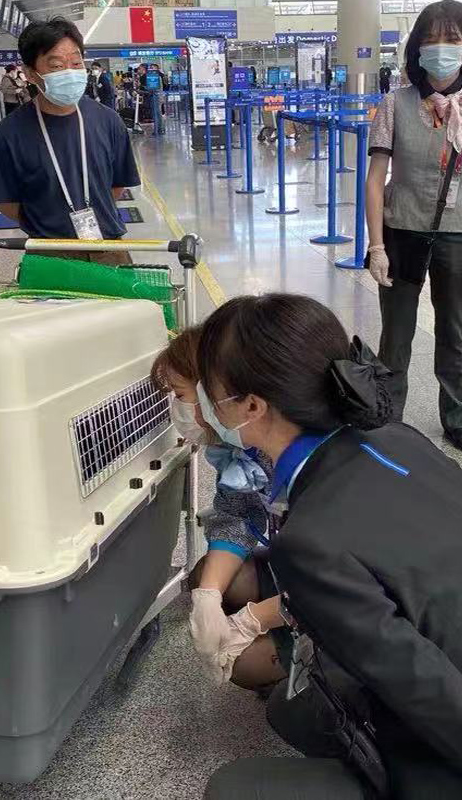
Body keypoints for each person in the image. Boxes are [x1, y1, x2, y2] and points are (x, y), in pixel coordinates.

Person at [176, 294, 462, 799]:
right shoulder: (395, 437)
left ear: (251, 406)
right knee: (294, 711)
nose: (200, 405)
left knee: (233, 789)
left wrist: (259, 619)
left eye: (209, 391)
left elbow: (423, 684)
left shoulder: (312, 540)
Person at [151, 329, 290, 691]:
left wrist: (254, 619)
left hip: (347, 599)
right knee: (208, 579)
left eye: (181, 396)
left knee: (250, 669)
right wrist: (209, 595)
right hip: (299, 571)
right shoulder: (245, 447)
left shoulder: (297, 458)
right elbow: (237, 516)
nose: (177, 410)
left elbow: (341, 582)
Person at [367, 0, 462, 449]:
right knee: (397, 333)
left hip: (458, 233)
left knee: (456, 331)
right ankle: (389, 418)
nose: (441, 49)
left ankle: (457, 417)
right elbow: (375, 178)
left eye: (453, 40)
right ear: (417, 49)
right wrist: (376, 245)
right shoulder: (394, 103)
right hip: (401, 229)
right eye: (431, 40)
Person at [0, 17, 141, 264]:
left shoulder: (108, 121)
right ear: (30, 73)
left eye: (77, 62)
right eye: (57, 66)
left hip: (109, 248)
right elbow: (8, 204)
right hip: (48, 254)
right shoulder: (7, 135)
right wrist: (51, 224)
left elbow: (116, 187)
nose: (70, 72)